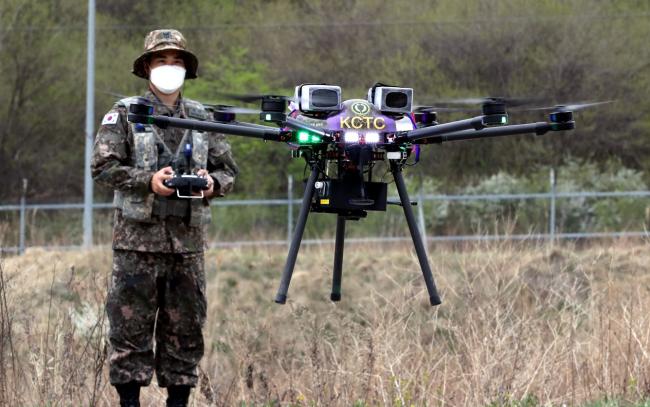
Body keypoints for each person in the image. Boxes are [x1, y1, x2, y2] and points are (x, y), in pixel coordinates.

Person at [91, 29, 238, 407]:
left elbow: (228, 173)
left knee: (186, 331)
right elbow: (102, 168)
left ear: (187, 69)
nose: (169, 68)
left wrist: (211, 185)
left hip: (187, 246)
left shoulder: (204, 118)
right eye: (161, 60)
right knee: (129, 329)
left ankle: (178, 402)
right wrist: (148, 181)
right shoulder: (124, 114)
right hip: (136, 244)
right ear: (146, 68)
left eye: (176, 61)